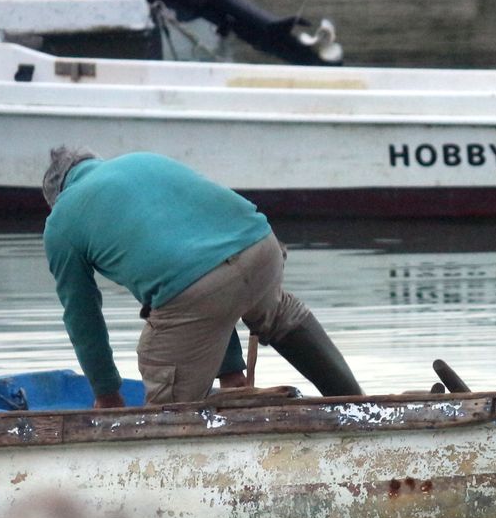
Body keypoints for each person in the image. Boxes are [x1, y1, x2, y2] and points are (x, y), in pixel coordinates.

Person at [41, 147, 362, 408]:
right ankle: (362, 407)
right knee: (279, 313)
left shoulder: (61, 221)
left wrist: (107, 394)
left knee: (161, 378)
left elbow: (83, 319)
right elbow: (205, 257)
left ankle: (173, 456)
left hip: (198, 288)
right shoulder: (142, 160)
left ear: (56, 197)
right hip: (262, 247)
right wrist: (232, 371)